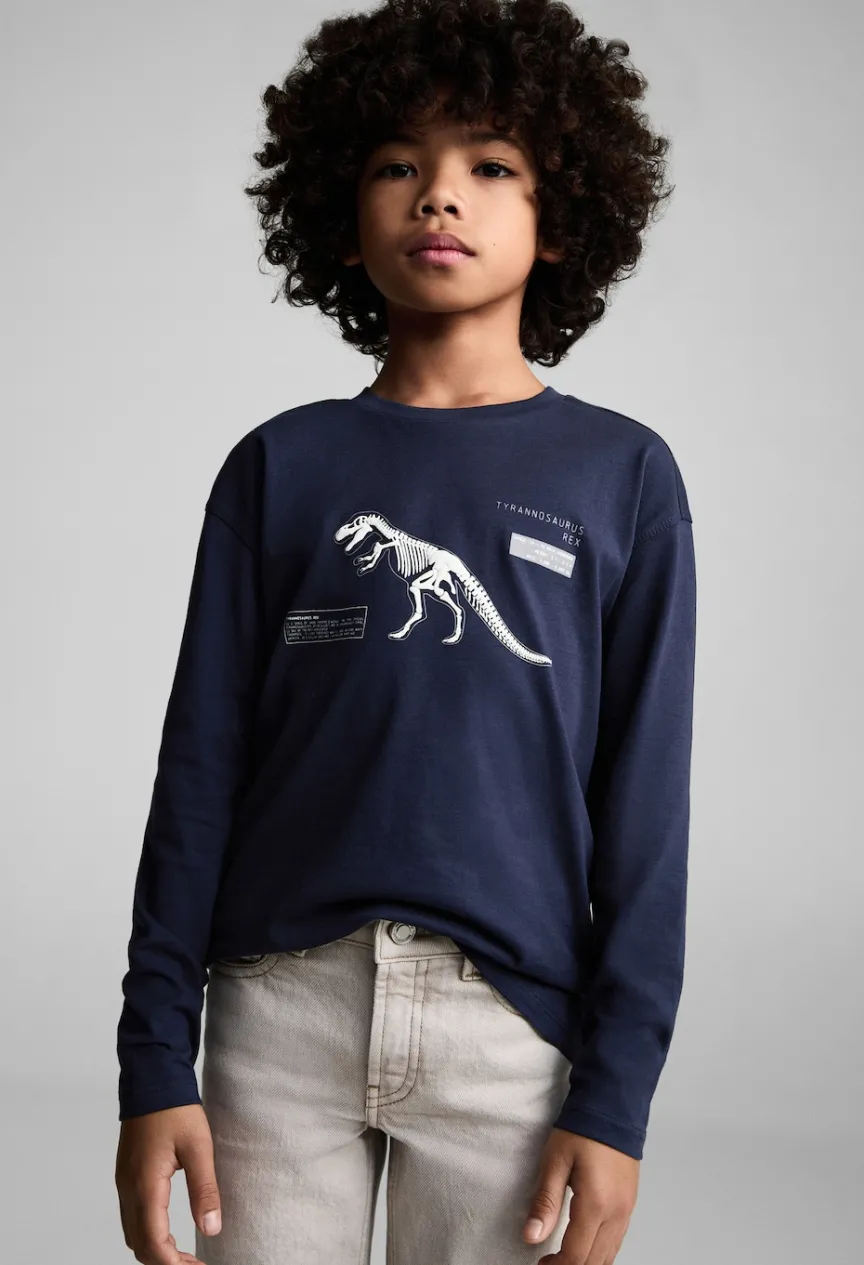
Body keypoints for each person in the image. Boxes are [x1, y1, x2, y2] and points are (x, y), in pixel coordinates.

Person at [114, 1, 696, 1262]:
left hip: (511, 1033)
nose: (440, 195)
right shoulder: (280, 465)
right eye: (397, 165)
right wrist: (154, 1053)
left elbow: (646, 808)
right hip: (276, 1017)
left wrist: (616, 1093)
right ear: (342, 210)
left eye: (491, 167)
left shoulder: (623, 475)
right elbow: (198, 770)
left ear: (558, 216)